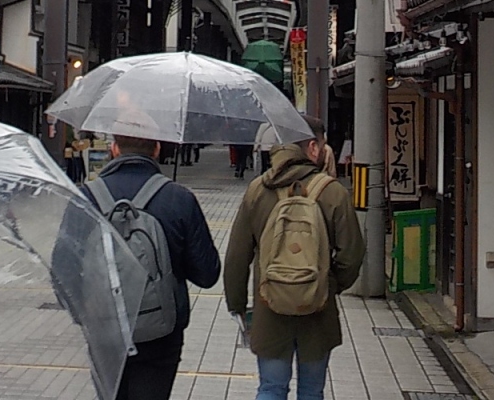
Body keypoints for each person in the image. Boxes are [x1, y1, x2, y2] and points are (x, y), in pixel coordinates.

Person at [224, 116, 365, 400]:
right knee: (312, 391)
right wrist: (328, 285)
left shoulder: (258, 190)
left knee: (271, 388)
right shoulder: (333, 192)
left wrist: (237, 305)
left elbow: (237, 257)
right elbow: (352, 254)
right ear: (312, 147)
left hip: (269, 307)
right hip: (318, 310)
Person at [83, 133, 221, 400]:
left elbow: (63, 273)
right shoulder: (178, 198)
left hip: (105, 330)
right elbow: (207, 274)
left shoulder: (86, 197)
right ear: (157, 149)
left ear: (114, 148)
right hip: (161, 333)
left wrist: (88, 312)